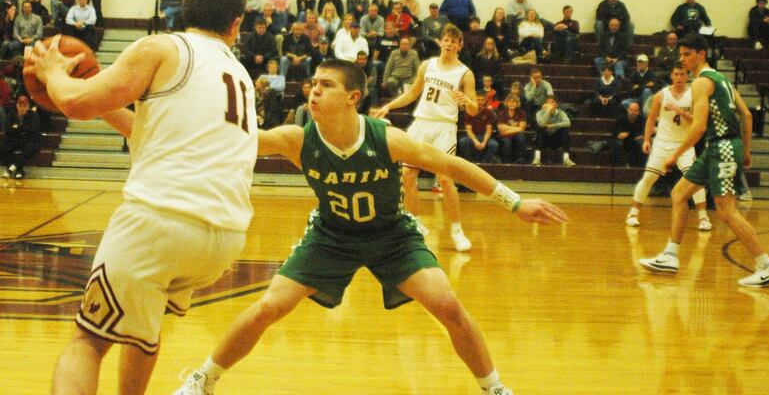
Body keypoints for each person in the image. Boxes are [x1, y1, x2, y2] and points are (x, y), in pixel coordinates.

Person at [174, 59, 568, 395]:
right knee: (268, 307)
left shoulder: (386, 138)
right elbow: (244, 140)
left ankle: (494, 387)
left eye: (326, 86)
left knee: (448, 305)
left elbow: (450, 166)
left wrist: (514, 202)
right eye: (312, 85)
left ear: (353, 98)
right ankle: (201, 381)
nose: (313, 92)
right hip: (330, 236)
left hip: (392, 237)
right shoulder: (297, 139)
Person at [27, 0, 258, 394]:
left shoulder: (162, 47)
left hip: (162, 219)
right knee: (142, 329)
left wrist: (53, 73)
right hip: (223, 239)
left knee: (88, 340)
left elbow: (75, 104)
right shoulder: (239, 75)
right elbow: (146, 131)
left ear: (182, 10)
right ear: (236, 23)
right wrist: (90, 93)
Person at [639, 34, 769, 287]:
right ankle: (671, 255)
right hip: (721, 147)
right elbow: (747, 115)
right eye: (681, 54)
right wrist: (746, 151)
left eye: (687, 54)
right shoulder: (723, 80)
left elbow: (698, 127)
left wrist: (674, 156)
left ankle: (767, 266)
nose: (682, 59)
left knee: (727, 210)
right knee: (679, 193)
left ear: (701, 54)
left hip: (722, 147)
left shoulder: (701, 83)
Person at [376, 24, 477, 252]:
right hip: (421, 123)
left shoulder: (465, 73)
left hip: (444, 127)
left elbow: (474, 109)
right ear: (441, 42)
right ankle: (415, 224)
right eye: (446, 40)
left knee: (444, 179)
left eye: (454, 41)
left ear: (460, 45)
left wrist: (466, 101)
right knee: (408, 175)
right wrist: (388, 106)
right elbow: (412, 94)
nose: (449, 44)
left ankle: (457, 230)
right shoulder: (427, 65)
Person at [625, 63, 712, 230]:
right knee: (649, 178)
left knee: (694, 180)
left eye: (682, 74)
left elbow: (698, 121)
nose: (679, 78)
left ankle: (703, 217)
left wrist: (681, 111)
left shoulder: (694, 95)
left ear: (687, 76)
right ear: (672, 76)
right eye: (676, 74)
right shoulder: (661, 95)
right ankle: (634, 212)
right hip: (663, 143)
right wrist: (646, 140)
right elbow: (650, 119)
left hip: (684, 144)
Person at [1, 94, 41, 180]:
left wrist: (18, 127)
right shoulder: (11, 115)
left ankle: (10, 169)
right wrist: (23, 128)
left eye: (24, 106)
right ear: (17, 106)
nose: (22, 108)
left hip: (28, 141)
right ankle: (19, 170)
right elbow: (8, 130)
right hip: (14, 140)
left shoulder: (33, 115)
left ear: (28, 106)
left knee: (30, 148)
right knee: (3, 146)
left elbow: (33, 130)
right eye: (20, 105)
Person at [533, 96, 575, 166]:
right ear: (545, 104)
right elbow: (541, 124)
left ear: (556, 104)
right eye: (548, 102)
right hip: (545, 140)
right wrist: (547, 111)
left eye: (552, 102)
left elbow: (568, 123)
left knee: (565, 130)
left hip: (556, 139)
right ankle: (537, 158)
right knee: (540, 129)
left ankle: (566, 159)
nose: (550, 104)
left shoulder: (561, 113)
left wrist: (553, 125)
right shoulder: (539, 113)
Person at [459, 92, 499, 163]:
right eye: (478, 100)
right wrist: (475, 141)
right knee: (463, 142)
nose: (480, 102)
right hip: (472, 136)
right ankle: (471, 162)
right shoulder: (469, 111)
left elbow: (488, 130)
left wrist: (484, 142)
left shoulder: (489, 112)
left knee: (494, 145)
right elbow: (469, 130)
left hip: (484, 136)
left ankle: (484, 162)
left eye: (481, 100)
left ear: (484, 101)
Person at [610, 102, 646, 167]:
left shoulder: (642, 119)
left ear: (638, 112)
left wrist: (643, 136)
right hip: (624, 140)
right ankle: (619, 166)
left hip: (636, 140)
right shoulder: (621, 119)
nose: (632, 112)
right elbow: (615, 132)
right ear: (628, 110)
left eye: (635, 110)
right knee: (617, 143)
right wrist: (619, 135)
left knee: (642, 143)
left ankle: (640, 166)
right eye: (630, 109)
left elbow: (645, 131)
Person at [497, 94, 529, 164]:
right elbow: (501, 130)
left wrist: (506, 127)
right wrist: (516, 128)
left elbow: (522, 129)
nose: (512, 104)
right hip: (505, 136)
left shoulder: (521, 113)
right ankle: (506, 162)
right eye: (510, 102)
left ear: (517, 103)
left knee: (521, 136)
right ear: (507, 103)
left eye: (514, 102)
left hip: (515, 135)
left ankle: (521, 159)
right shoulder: (502, 113)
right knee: (507, 141)